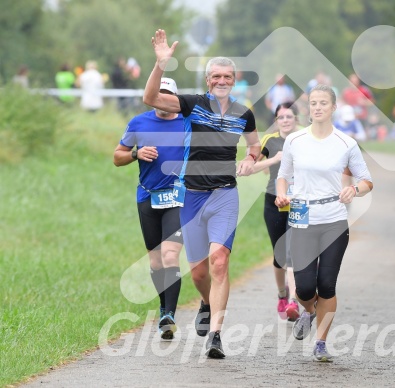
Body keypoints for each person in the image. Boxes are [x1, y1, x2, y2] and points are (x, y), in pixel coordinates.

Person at [143, 29, 260, 359]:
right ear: (208, 81)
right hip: (192, 198)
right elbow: (150, 99)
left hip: (225, 195)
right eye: (216, 76)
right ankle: (206, 302)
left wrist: (252, 160)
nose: (222, 80)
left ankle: (217, 336)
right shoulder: (192, 105)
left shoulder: (244, 114)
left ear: (234, 81)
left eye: (227, 76)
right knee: (198, 272)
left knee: (220, 262)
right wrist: (160, 65)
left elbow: (254, 146)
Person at [275, 84, 373, 362]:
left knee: (327, 285)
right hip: (302, 219)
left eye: (323, 103)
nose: (317, 107)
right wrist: (282, 193)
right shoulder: (295, 140)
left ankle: (320, 342)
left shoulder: (346, 143)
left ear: (333, 108)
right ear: (309, 109)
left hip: (333, 221)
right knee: (305, 288)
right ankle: (309, 309)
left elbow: (366, 181)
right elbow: (283, 175)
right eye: (313, 103)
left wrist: (354, 190)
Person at [114, 78, 185, 340]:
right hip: (147, 196)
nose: (162, 98)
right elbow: (117, 157)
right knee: (155, 261)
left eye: (167, 94)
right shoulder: (138, 123)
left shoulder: (187, 122)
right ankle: (163, 308)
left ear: (175, 98)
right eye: (158, 93)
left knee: (169, 256)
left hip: (178, 198)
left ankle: (170, 316)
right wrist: (136, 154)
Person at [251, 102, 300, 321]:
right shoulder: (269, 141)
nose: (286, 120)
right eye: (281, 117)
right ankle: (282, 293)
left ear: (296, 119)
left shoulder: (304, 141)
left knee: (294, 253)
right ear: (276, 121)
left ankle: (294, 301)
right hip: (274, 201)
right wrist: (274, 159)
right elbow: (252, 167)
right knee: (280, 254)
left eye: (289, 116)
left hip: (299, 202)